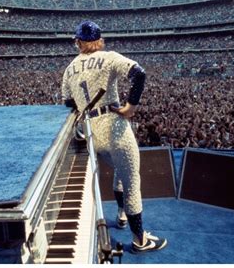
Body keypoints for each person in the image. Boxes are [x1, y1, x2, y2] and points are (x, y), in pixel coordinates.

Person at [61, 20, 167, 253]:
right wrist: (131, 107)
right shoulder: (108, 57)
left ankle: (120, 215)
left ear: (78, 42)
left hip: (90, 133)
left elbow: (69, 104)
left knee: (119, 172)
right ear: (99, 40)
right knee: (132, 182)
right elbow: (139, 74)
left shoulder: (69, 68)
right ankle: (140, 240)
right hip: (114, 127)